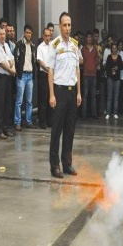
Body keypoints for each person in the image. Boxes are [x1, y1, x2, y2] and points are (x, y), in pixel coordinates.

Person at [47, 12, 81, 178]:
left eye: (69, 25)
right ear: (59, 26)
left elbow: (77, 69)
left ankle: (67, 163)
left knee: (70, 130)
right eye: (64, 25)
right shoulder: (54, 45)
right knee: (57, 130)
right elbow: (50, 71)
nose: (67, 28)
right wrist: (52, 95)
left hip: (72, 91)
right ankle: (54, 166)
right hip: (59, 91)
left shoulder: (75, 45)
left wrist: (79, 92)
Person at [0, 25, 16, 139]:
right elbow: (2, 63)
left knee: (7, 104)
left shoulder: (6, 45)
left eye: (4, 34)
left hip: (7, 78)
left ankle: (6, 128)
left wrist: (13, 68)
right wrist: (11, 70)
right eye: (0, 34)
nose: (2, 36)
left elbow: (12, 59)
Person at [14, 24, 37, 131]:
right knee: (19, 101)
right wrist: (18, 73)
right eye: (27, 32)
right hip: (22, 75)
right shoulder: (19, 44)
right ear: (24, 33)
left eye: (30, 33)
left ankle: (28, 121)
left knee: (29, 100)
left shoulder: (33, 46)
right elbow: (16, 59)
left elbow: (34, 60)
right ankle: (17, 122)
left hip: (30, 75)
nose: (28, 34)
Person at [81, 30, 99, 119]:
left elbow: (98, 60)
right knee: (85, 96)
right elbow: (80, 61)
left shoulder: (95, 49)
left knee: (93, 96)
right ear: (86, 39)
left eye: (91, 37)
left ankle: (94, 114)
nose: (90, 39)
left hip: (94, 75)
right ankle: (84, 114)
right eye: (88, 37)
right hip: (85, 75)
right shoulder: (83, 49)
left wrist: (93, 65)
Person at [36, 28, 52, 129]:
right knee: (43, 99)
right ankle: (42, 122)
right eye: (45, 36)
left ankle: (50, 121)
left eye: (48, 36)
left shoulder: (52, 46)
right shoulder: (40, 47)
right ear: (43, 36)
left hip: (51, 75)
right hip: (43, 75)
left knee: (50, 98)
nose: (47, 38)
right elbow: (40, 62)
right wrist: (48, 69)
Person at [105, 42, 123, 119]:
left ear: (117, 49)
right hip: (110, 78)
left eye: (115, 48)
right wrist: (111, 70)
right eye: (113, 48)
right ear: (111, 49)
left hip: (117, 79)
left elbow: (122, 67)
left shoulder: (119, 57)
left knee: (116, 96)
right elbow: (106, 67)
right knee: (110, 96)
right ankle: (108, 113)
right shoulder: (109, 57)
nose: (114, 49)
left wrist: (117, 68)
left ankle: (115, 112)